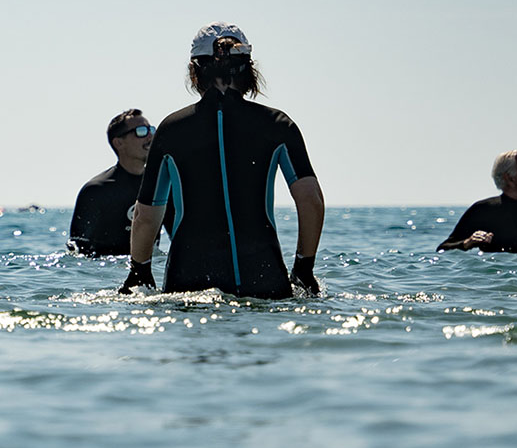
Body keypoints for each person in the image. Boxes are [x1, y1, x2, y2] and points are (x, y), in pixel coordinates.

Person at [120, 21, 325, 298]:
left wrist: (139, 271)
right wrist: (303, 267)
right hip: (265, 281)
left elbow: (145, 216)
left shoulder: (172, 130)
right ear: (249, 69)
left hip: (189, 284)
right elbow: (311, 199)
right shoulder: (277, 124)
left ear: (195, 71)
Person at [68, 109, 157, 256]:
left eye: (151, 130)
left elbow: (178, 238)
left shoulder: (159, 186)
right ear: (119, 143)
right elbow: (77, 251)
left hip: (148, 270)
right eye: (141, 131)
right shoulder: (96, 190)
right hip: (105, 271)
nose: (150, 137)